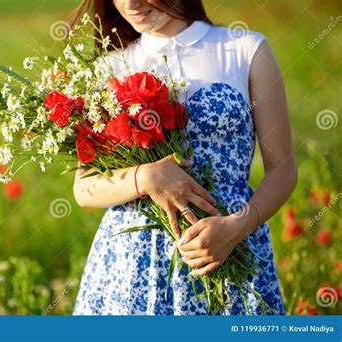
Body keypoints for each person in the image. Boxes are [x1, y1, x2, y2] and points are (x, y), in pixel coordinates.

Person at [71, 0, 297, 315]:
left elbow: (283, 169)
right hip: (132, 264)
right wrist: (145, 177)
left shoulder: (245, 50)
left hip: (231, 245)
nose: (130, 4)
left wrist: (235, 228)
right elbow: (84, 187)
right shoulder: (110, 67)